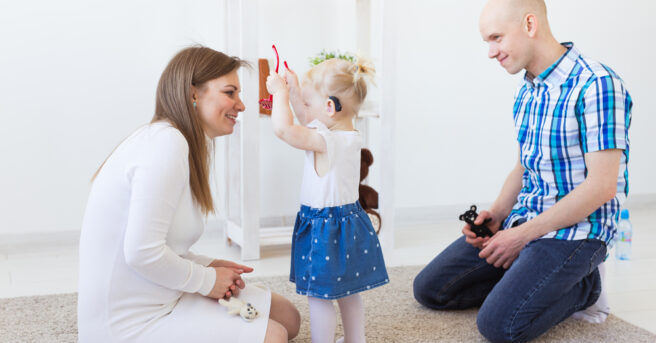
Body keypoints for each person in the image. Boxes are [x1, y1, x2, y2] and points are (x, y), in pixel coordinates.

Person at [412, 0, 632, 342]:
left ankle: (585, 288)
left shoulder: (597, 84)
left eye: (496, 38)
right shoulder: (527, 90)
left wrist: (522, 236)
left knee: (499, 326)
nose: (490, 51)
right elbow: (523, 165)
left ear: (530, 24)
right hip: (525, 219)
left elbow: (602, 187)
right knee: (430, 290)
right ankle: (526, 280)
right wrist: (498, 215)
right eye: (487, 41)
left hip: (578, 232)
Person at [77, 46, 300, 343]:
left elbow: (166, 244)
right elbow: (141, 253)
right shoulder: (166, 146)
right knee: (274, 336)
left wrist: (207, 265)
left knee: (289, 318)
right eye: (230, 92)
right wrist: (207, 281)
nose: (241, 105)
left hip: (162, 294)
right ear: (193, 93)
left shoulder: (178, 142)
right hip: (129, 323)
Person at [266, 58, 389, 343]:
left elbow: (284, 129)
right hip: (347, 223)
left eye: (309, 104)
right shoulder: (346, 136)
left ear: (330, 108)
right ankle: (355, 340)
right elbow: (308, 119)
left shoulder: (325, 140)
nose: (303, 111)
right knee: (348, 292)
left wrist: (280, 95)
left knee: (319, 297)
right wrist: (297, 92)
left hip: (325, 230)